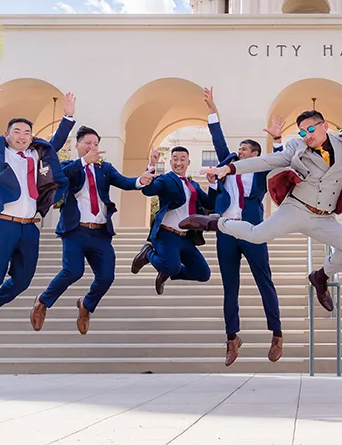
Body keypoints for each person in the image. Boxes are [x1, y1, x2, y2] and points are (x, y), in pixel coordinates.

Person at [181, 106, 342, 312]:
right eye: (302, 132)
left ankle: (320, 277)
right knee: (257, 234)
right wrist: (230, 168)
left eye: (310, 130)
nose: (306, 136)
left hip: (324, 217)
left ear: (325, 126)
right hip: (296, 209)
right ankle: (213, 222)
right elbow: (266, 160)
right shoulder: (296, 147)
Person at [0, 74, 74, 331]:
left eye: (27, 132)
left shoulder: (38, 154)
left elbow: (55, 143)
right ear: (7, 134)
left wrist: (67, 118)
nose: (22, 136)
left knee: (22, 281)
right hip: (3, 224)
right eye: (17, 132)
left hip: (30, 227)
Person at [30, 125, 143, 335]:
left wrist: (140, 181)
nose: (92, 147)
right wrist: (83, 162)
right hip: (75, 231)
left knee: (107, 276)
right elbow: (59, 178)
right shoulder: (69, 166)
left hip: (100, 232)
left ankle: (86, 305)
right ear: (77, 145)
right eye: (88, 143)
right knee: (73, 271)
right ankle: (43, 301)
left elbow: (125, 182)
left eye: (96, 144)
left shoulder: (105, 168)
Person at [203, 87, 286, 365]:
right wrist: (213, 110)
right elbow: (218, 141)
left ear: (255, 154)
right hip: (226, 230)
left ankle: (276, 333)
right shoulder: (228, 169)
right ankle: (231, 339)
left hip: (252, 232)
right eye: (239, 149)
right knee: (230, 287)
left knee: (265, 281)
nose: (239, 152)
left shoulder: (260, 172)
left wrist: (277, 139)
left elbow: (280, 162)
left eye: (245, 149)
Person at [129, 146, 213, 295]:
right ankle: (148, 253)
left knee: (203, 273)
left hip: (186, 238)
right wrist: (152, 166)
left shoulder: (193, 185)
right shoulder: (166, 179)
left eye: (182, 159)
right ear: (170, 161)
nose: (178, 163)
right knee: (172, 267)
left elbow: (210, 204)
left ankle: (165, 270)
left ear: (188, 162)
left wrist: (213, 183)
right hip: (167, 235)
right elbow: (148, 190)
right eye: (175, 159)